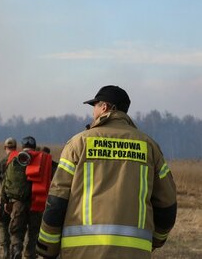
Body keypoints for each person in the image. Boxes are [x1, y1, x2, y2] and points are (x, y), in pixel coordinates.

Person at [37, 85, 177, 259]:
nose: (93, 112)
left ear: (104, 108)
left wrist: (47, 247)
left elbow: (57, 200)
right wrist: (155, 241)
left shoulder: (78, 144)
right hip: (134, 253)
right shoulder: (149, 147)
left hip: (81, 252)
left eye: (94, 106)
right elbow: (168, 204)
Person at [2, 136, 43, 259]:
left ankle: (16, 249)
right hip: (37, 203)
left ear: (22, 147)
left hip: (18, 203)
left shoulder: (14, 160)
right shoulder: (43, 160)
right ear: (35, 147)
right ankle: (30, 254)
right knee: (34, 232)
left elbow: (6, 183)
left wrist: (5, 202)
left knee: (16, 231)